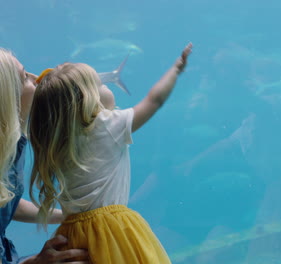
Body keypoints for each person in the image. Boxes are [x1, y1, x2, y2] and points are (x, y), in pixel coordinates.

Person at [28, 43, 192, 263]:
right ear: (88, 100)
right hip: (112, 232)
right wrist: (176, 69)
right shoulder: (107, 126)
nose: (108, 87)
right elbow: (155, 100)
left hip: (71, 234)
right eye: (101, 85)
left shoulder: (54, 141)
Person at [0, 48, 89, 263]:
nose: (35, 78)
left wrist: (64, 216)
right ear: (8, 95)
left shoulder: (11, 145)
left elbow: (6, 199)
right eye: (24, 77)